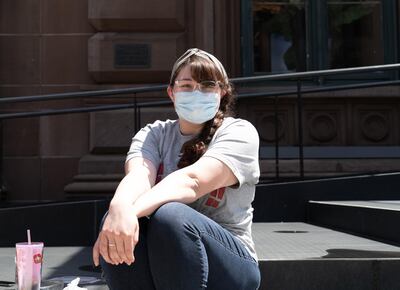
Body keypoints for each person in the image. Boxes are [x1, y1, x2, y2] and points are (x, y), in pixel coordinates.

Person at [92, 48, 261, 290]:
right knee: (118, 218)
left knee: (170, 216)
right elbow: (139, 175)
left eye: (207, 85)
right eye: (187, 85)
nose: (197, 92)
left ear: (222, 92)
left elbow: (192, 181)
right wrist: (118, 208)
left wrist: (127, 213)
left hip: (232, 264)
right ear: (171, 92)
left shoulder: (240, 132)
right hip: (167, 263)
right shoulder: (154, 133)